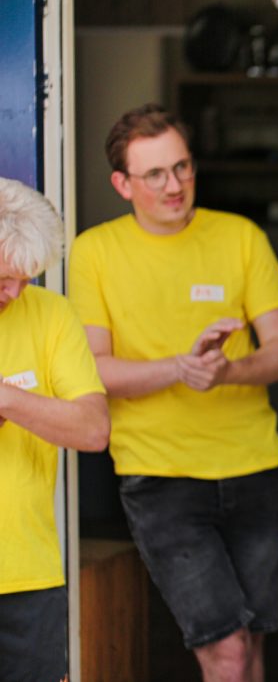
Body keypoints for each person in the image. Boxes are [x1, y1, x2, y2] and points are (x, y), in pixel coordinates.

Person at [69, 104, 278, 682]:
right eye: (155, 175)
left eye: (183, 167)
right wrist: (181, 368)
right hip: (161, 477)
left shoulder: (240, 237)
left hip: (256, 467)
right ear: (122, 183)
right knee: (223, 649)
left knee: (249, 645)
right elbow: (94, 370)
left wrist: (226, 372)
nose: (175, 186)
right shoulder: (94, 252)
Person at [0, 178, 110, 682]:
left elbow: (92, 428)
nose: (16, 292)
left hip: (30, 573)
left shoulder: (52, 314)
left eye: (26, 278)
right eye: (5, 278)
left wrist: (7, 398)